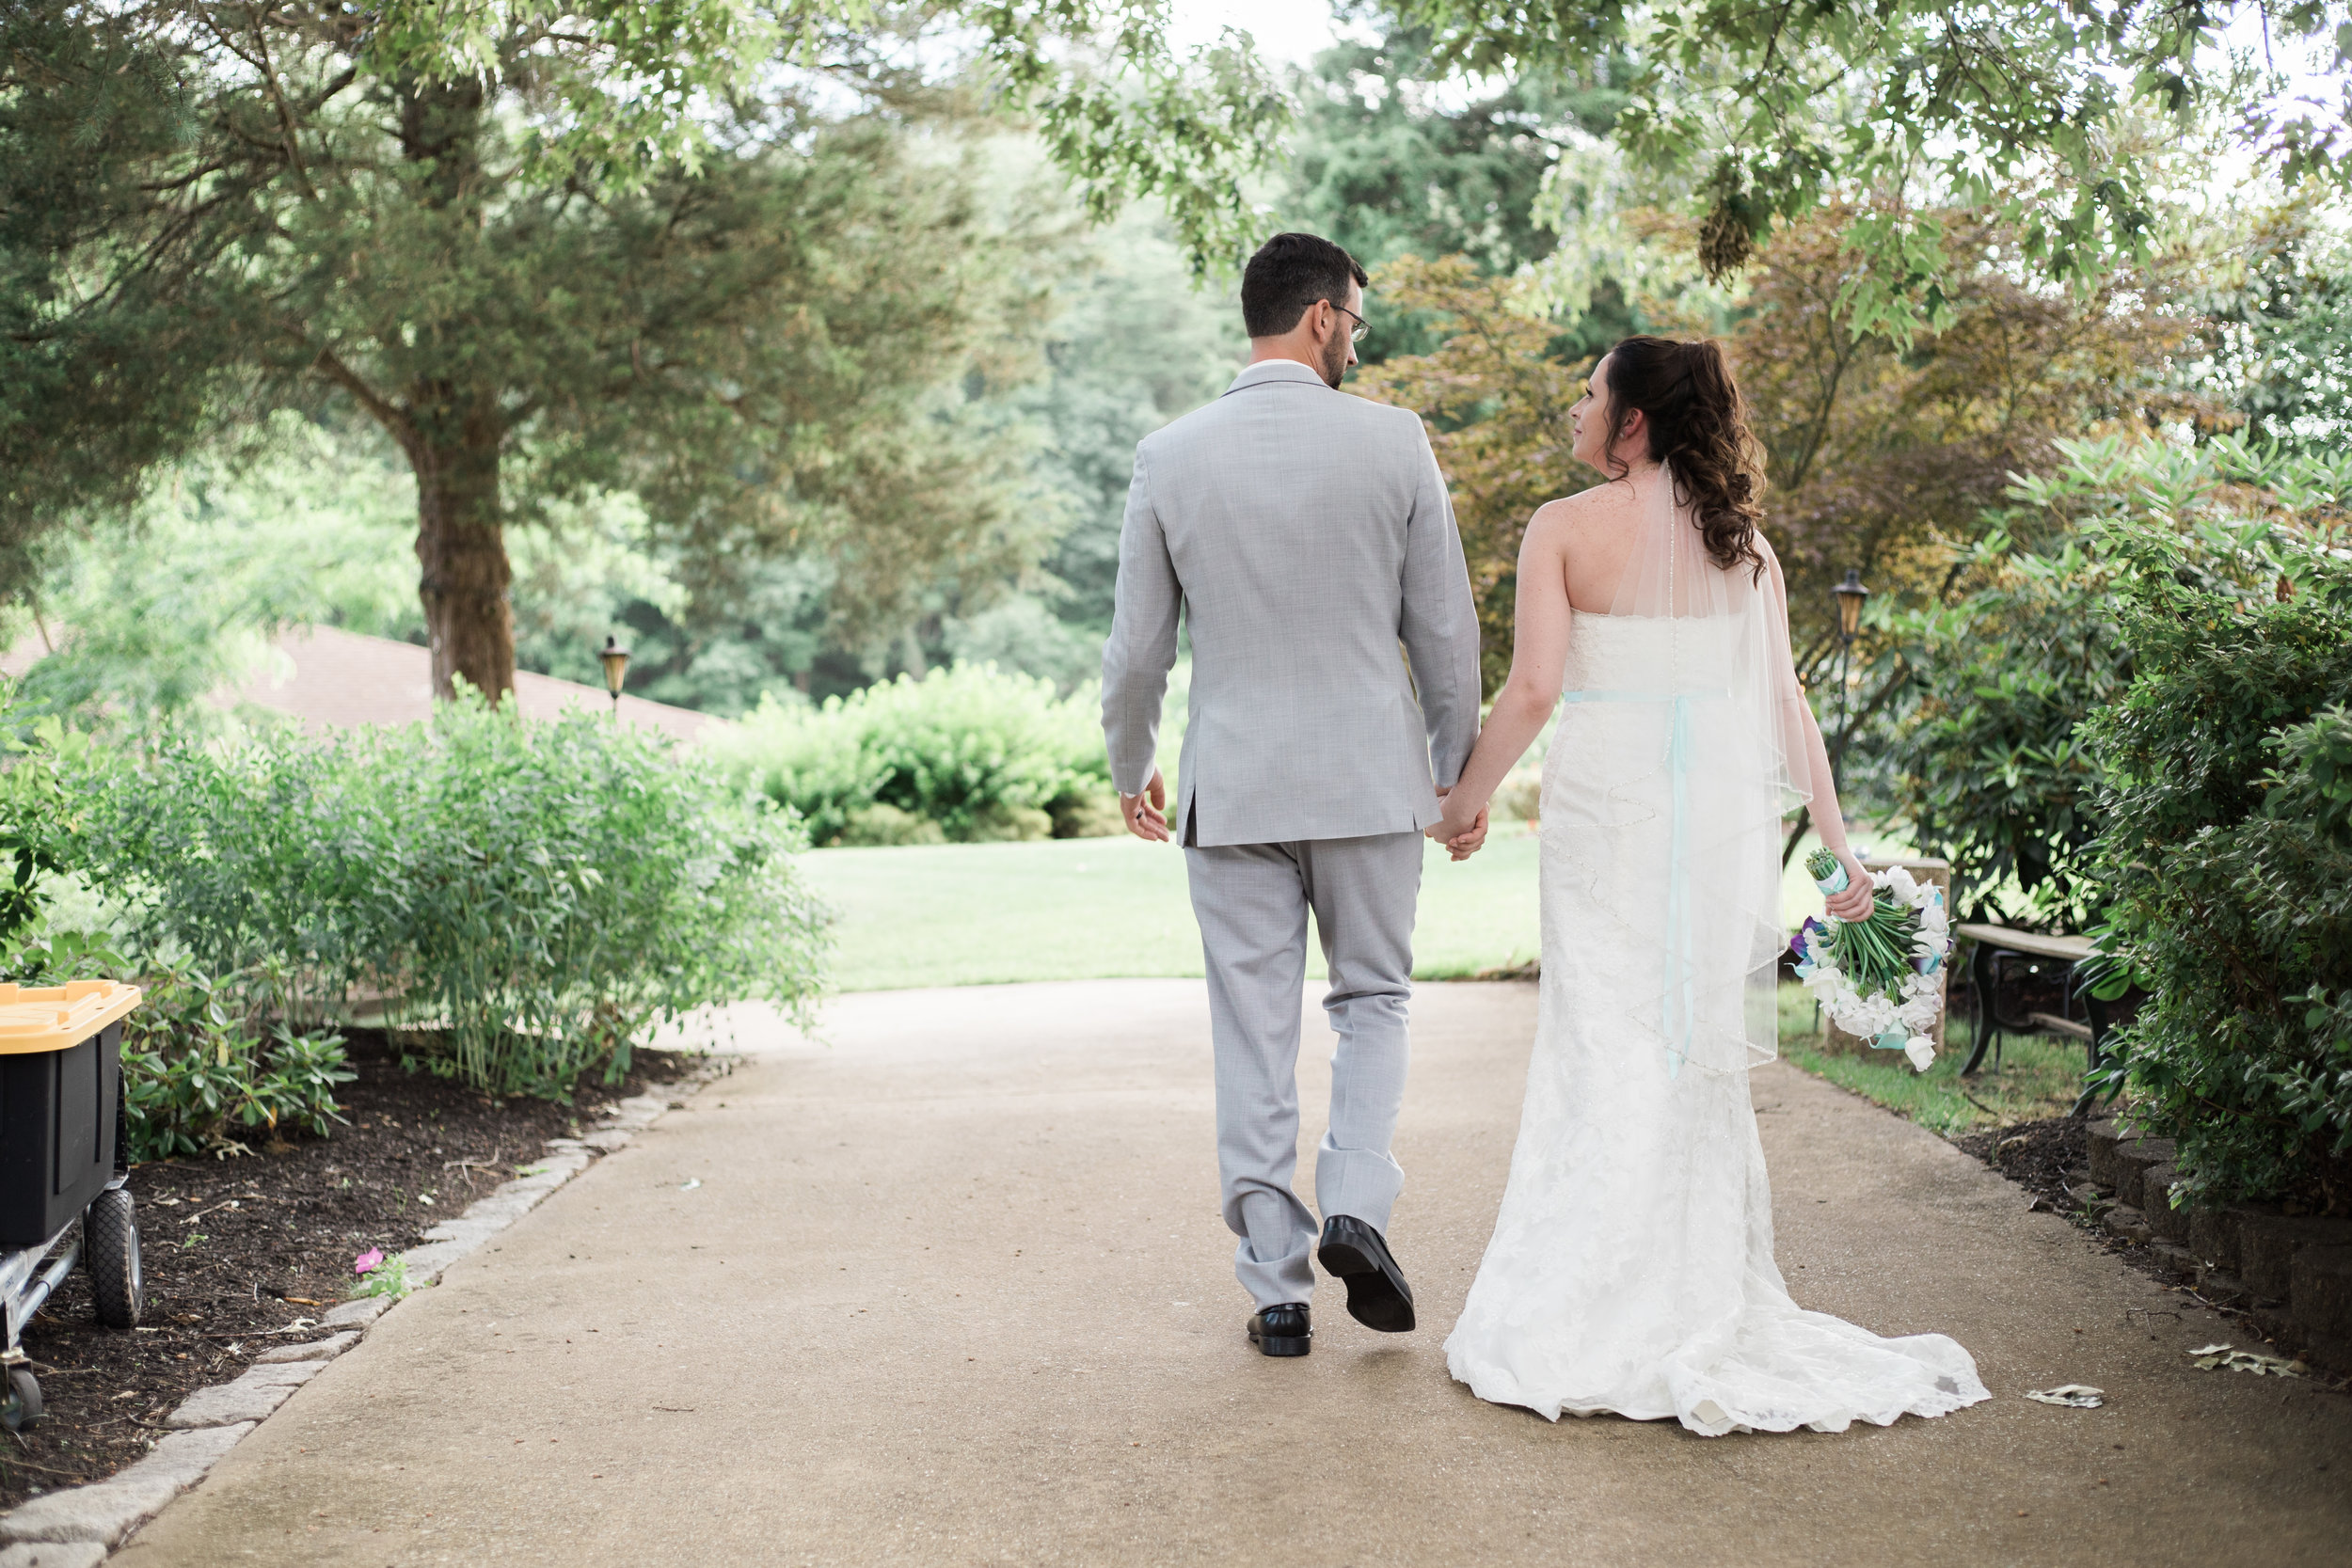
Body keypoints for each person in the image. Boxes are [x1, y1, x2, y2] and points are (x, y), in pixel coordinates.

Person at [1424, 335, 1992, 1433]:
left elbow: (1535, 685)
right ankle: (1689, 1292)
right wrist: (1837, 853)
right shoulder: (1747, 548)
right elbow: (1787, 709)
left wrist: (1464, 799)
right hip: (1699, 834)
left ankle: (1589, 1304)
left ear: (1632, 421)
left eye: (1589, 394)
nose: (1576, 409)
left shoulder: (1563, 528)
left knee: (1599, 1037)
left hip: (1601, 820)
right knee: (1682, 1047)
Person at [1100, 231, 1483, 1357]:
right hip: (1369, 781)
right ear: (1321, 315)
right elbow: (1446, 631)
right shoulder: (1394, 441)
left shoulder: (1170, 454)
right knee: (1372, 999)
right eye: (1355, 321)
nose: (1356, 340)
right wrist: (1451, 771)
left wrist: (1133, 768)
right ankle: (1356, 1200)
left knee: (1253, 1031)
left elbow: (1134, 655)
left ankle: (1276, 1287)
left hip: (1235, 791)